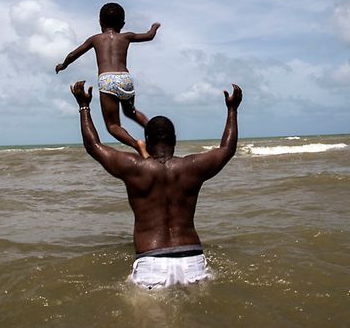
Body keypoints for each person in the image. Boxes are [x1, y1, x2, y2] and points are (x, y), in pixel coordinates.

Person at [70, 80, 242, 289]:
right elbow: (227, 149)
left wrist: (83, 106)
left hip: (151, 263)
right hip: (192, 259)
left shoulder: (134, 167)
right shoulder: (192, 167)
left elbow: (94, 146)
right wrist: (232, 110)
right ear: (175, 139)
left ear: (147, 139)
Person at [56, 2, 160, 158]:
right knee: (131, 112)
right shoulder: (127, 36)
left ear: (100, 21)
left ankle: (137, 145)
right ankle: (155, 133)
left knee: (113, 126)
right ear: (122, 24)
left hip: (107, 79)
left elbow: (72, 55)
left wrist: (63, 65)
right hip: (125, 78)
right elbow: (149, 36)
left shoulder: (95, 39)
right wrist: (154, 27)